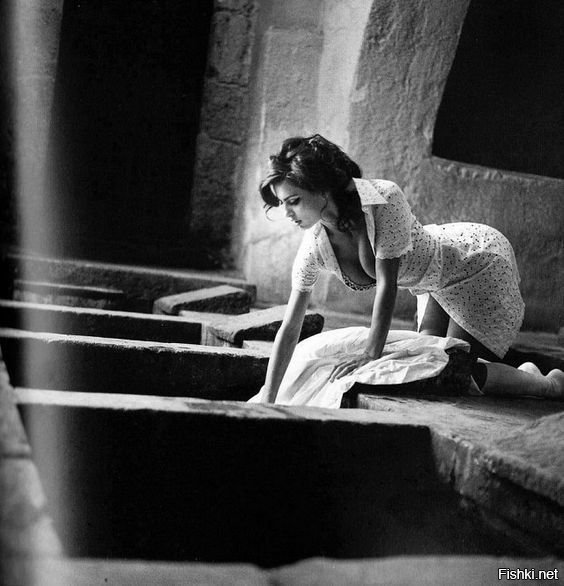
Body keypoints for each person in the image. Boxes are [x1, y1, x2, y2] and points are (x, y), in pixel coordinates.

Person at [251, 135, 564, 405]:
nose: (287, 213)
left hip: (475, 264)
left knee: (454, 370)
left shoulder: (381, 198)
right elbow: (290, 327)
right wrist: (269, 397)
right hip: (432, 285)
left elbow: (386, 285)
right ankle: (525, 373)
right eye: (282, 203)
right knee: (423, 365)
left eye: (293, 200)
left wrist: (370, 353)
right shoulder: (314, 245)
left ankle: (548, 384)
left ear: (321, 188)